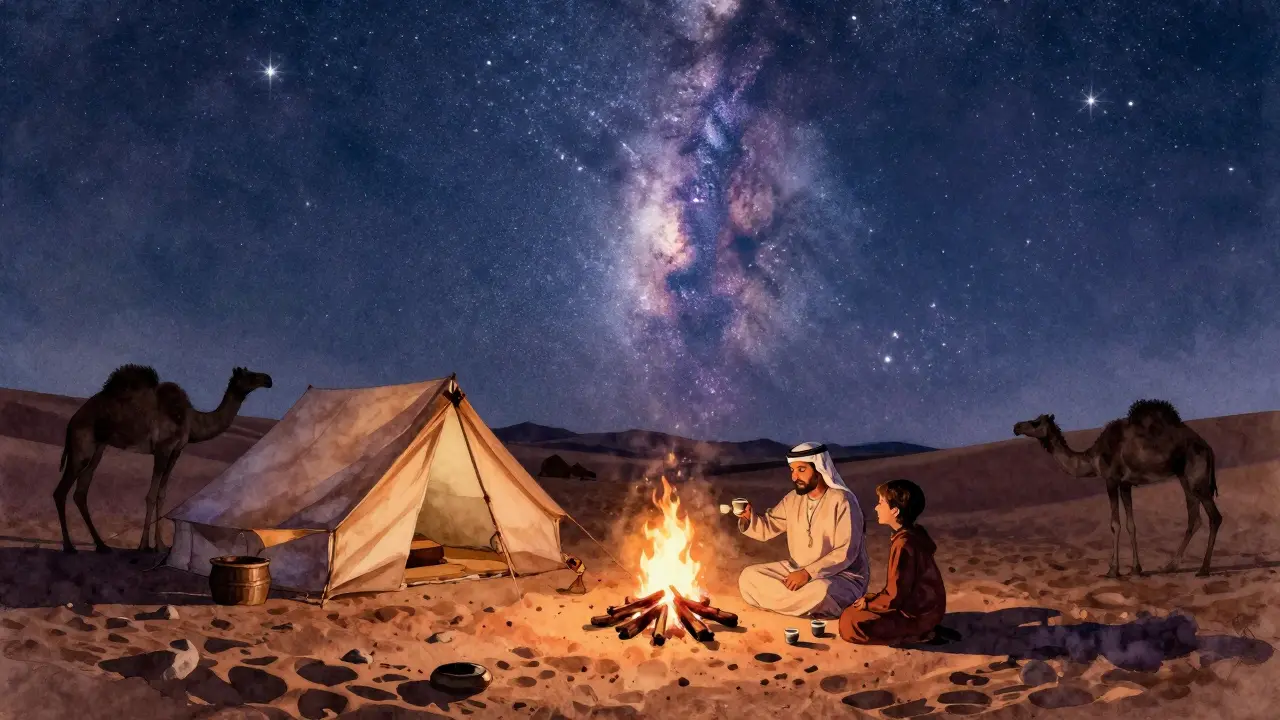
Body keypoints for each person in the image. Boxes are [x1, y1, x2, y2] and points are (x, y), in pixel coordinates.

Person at [735, 442, 871, 618]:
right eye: (792, 470)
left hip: (841, 577)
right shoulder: (792, 499)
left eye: (801, 470)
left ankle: (787, 602)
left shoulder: (843, 501)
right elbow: (769, 526)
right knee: (748, 577)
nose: (794, 477)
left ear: (819, 469)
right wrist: (748, 518)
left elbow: (846, 552)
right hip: (796, 570)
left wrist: (808, 573)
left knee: (821, 591)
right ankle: (801, 605)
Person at [838, 478, 947, 645]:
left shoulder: (904, 543)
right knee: (852, 613)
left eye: (881, 503)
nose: (876, 507)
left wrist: (868, 603)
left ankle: (917, 635)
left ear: (895, 511)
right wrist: (873, 600)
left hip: (917, 615)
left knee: (851, 622)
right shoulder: (911, 535)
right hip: (925, 610)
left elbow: (894, 597)